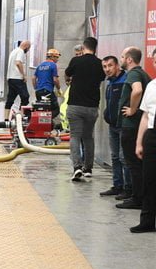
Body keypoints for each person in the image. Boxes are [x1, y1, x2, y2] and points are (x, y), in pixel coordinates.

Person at [65, 37, 105, 181]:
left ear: (83, 47)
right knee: (88, 137)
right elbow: (101, 78)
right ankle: (88, 168)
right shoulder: (100, 64)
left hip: (75, 105)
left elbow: (68, 74)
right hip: (92, 106)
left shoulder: (76, 61)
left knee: (75, 136)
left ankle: (77, 167)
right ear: (95, 47)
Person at [118, 47, 152, 206]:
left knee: (133, 163)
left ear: (129, 59)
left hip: (131, 126)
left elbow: (137, 90)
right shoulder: (144, 73)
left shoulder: (134, 74)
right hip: (136, 126)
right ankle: (137, 195)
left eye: (123, 56)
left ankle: (137, 198)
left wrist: (132, 109)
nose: (121, 59)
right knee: (136, 164)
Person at [100, 55, 131, 198]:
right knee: (114, 157)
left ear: (117, 65)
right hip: (113, 125)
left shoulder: (125, 81)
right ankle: (117, 185)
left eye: (110, 66)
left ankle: (128, 188)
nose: (107, 69)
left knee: (123, 157)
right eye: (105, 67)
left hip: (123, 126)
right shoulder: (110, 83)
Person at [133, 59, 156, 233]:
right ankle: (147, 220)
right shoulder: (151, 86)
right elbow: (146, 116)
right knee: (149, 179)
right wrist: (139, 142)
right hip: (152, 135)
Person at [31, 48, 62, 124]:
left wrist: (36, 88)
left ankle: (42, 123)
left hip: (38, 92)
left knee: (42, 109)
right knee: (55, 110)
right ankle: (46, 122)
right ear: (52, 57)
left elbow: (33, 78)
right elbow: (55, 79)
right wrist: (59, 89)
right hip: (47, 91)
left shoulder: (40, 65)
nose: (57, 59)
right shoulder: (53, 65)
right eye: (57, 57)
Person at [4, 40, 31, 118]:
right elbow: (18, 62)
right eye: (28, 48)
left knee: (10, 99)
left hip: (10, 78)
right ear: (26, 46)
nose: (28, 50)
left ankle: (5, 119)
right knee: (25, 97)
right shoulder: (21, 51)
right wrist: (24, 75)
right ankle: (20, 116)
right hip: (17, 78)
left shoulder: (13, 51)